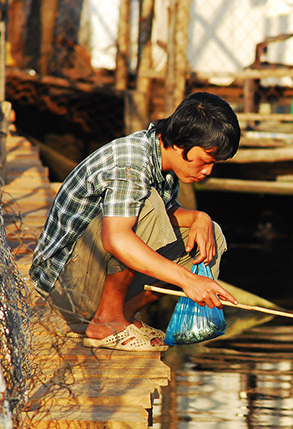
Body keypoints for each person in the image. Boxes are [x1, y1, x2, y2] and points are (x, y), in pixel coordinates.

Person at [29, 92, 240, 351]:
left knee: (211, 234)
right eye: (205, 161)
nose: (207, 171)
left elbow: (166, 217)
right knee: (145, 207)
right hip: (64, 288)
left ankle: (120, 316)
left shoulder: (164, 164)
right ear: (182, 142)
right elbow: (116, 238)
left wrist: (199, 217)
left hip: (91, 280)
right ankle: (106, 321)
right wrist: (188, 280)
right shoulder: (133, 162)